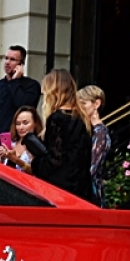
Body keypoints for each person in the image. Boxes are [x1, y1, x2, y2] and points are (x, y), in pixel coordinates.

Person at [32, 69, 94, 200]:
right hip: (82, 189)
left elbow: (55, 160)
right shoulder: (83, 119)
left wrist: (36, 163)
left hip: (61, 191)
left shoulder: (57, 119)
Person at [0, 45, 43, 160]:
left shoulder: (31, 86)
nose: (7, 62)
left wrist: (15, 81)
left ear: (21, 64)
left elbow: (24, 106)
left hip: (17, 147)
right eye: (6, 58)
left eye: (12, 59)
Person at [78, 85, 111, 206]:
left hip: (91, 191)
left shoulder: (100, 132)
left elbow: (93, 167)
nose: (80, 108)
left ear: (96, 104)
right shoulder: (90, 130)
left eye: (83, 103)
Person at [0, 106, 44, 173]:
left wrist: (15, 159)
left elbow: (37, 172)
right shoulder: (11, 143)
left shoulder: (39, 146)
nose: (21, 127)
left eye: (25, 123)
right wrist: (2, 159)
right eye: (18, 124)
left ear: (35, 123)